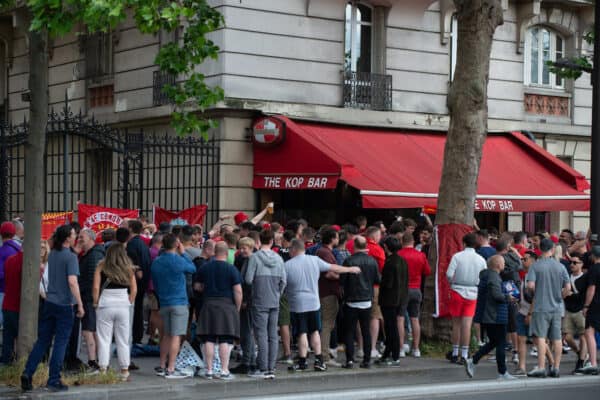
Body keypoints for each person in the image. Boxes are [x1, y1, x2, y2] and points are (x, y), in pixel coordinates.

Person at [21, 225, 84, 392]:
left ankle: (28, 372)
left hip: (50, 302)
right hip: (64, 304)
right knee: (60, 343)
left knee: (43, 341)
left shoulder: (53, 254)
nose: (75, 236)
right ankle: (54, 379)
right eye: (73, 234)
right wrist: (80, 303)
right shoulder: (70, 257)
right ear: (67, 238)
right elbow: (72, 282)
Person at [284, 239, 361, 372]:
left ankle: (302, 362)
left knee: (302, 333)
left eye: (290, 249)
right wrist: (350, 269)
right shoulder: (314, 260)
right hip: (314, 302)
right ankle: (319, 360)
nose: (289, 252)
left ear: (294, 249)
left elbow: (282, 284)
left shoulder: (287, 265)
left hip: (297, 304)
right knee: (315, 331)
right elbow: (333, 267)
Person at [151, 233, 196, 379]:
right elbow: (192, 268)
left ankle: (162, 364)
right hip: (179, 301)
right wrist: (183, 253)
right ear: (177, 244)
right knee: (176, 335)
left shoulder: (157, 262)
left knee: (166, 335)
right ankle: (171, 367)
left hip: (164, 301)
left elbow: (155, 283)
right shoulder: (178, 260)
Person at [465, 255, 517, 380]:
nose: (504, 265)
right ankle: (502, 372)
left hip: (489, 315)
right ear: (498, 265)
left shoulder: (487, 275)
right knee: (500, 343)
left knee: (494, 342)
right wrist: (508, 297)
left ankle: (473, 360)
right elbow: (496, 295)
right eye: (503, 263)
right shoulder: (494, 277)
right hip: (496, 315)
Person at [196, 242, 242, 380]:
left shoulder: (205, 267)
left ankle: (209, 370)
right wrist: (237, 308)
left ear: (215, 252)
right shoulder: (231, 269)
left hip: (209, 305)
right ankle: (224, 370)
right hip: (226, 306)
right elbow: (238, 291)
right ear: (227, 253)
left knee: (208, 338)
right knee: (225, 339)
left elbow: (197, 286)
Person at [526, 238, 571, 378]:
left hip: (541, 306)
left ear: (540, 249)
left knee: (540, 337)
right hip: (557, 307)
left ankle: (541, 367)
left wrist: (535, 294)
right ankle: (556, 368)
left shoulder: (536, 266)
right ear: (552, 249)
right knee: (557, 338)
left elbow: (530, 286)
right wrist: (559, 297)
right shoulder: (560, 266)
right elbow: (568, 288)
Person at [245, 230, 287, 379]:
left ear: (259, 241)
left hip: (259, 299)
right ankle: (271, 366)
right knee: (273, 335)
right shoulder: (279, 258)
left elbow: (249, 279)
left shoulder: (254, 258)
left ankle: (262, 367)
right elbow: (284, 281)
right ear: (272, 241)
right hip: (274, 300)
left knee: (261, 334)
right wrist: (277, 294)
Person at [92, 244, 137, 381]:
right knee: (123, 339)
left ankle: (103, 368)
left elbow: (95, 287)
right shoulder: (129, 268)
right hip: (123, 304)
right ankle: (124, 370)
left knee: (104, 339)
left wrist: (96, 302)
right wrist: (129, 301)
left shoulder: (101, 266)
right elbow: (134, 289)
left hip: (105, 303)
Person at [446, 233, 487, 364]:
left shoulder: (457, 256)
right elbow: (484, 277)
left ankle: (454, 352)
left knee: (456, 324)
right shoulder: (481, 259)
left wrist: (453, 282)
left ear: (464, 243)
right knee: (467, 324)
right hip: (473, 292)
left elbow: (448, 274)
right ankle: (464, 354)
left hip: (457, 290)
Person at [340, 236, 380, 369]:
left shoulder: (349, 260)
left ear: (355, 246)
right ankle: (367, 360)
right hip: (367, 300)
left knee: (349, 331)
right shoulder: (372, 261)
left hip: (351, 300)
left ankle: (350, 360)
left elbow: (342, 281)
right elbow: (377, 279)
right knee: (365, 331)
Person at [77, 228, 105, 373]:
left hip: (89, 298)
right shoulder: (89, 254)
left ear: (91, 238)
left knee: (89, 331)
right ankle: (98, 362)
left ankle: (93, 362)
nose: (79, 239)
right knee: (92, 331)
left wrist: (85, 296)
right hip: (89, 297)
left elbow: (93, 279)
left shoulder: (94, 255)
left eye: (82, 237)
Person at [398, 232, 430, 357]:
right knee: (415, 319)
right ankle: (416, 349)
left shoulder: (399, 255)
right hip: (416, 289)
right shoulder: (421, 255)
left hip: (402, 290)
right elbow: (427, 271)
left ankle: (401, 348)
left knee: (400, 318)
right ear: (413, 242)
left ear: (402, 242)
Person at [378, 236, 408, 365]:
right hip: (400, 297)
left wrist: (380, 280)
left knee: (391, 327)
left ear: (386, 247)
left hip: (389, 299)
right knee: (392, 326)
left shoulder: (390, 262)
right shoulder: (402, 261)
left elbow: (387, 283)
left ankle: (394, 355)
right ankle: (388, 354)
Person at [230, 237, 257, 375]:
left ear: (251, 247)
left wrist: (245, 300)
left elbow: (247, 283)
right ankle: (250, 361)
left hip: (249, 301)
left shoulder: (250, 261)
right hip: (253, 300)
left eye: (244, 248)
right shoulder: (248, 260)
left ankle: (247, 361)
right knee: (248, 332)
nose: (241, 250)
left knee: (246, 331)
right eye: (240, 248)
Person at [316, 228, 341, 367]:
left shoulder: (323, 252)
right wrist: (342, 274)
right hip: (328, 293)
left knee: (327, 324)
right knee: (327, 324)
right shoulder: (325, 252)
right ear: (332, 239)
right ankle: (324, 355)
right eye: (337, 237)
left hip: (326, 292)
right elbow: (329, 273)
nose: (338, 240)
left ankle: (323, 352)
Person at [126, 220, 151, 345]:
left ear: (130, 228)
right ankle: (137, 335)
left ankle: (134, 336)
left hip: (134, 283)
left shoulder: (132, 245)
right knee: (138, 310)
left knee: (133, 310)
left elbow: (132, 264)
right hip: (143, 282)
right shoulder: (142, 244)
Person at [563, 254, 589, 373]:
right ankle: (580, 353)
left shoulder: (585, 278)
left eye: (575, 263)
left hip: (580, 310)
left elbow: (585, 296)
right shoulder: (567, 277)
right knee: (566, 337)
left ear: (581, 264)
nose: (572, 265)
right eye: (571, 262)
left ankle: (581, 362)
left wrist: (571, 295)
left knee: (583, 336)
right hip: (568, 310)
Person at [579, 246, 600, 375]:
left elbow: (591, 288)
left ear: (592, 256)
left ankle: (593, 363)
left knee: (589, 332)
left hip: (595, 304)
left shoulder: (594, 269)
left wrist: (586, 305)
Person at [0, 221, 21, 329]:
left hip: (2, 290)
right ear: (13, 234)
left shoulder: (1, 251)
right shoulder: (19, 248)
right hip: (16, 291)